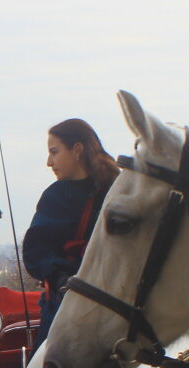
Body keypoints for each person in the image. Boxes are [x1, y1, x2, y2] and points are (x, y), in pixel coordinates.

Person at [23, 118, 119, 346]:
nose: (49, 162)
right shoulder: (117, 188)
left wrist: (64, 279)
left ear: (77, 150)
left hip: (72, 307)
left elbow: (37, 254)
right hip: (104, 300)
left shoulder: (57, 196)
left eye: (54, 152)